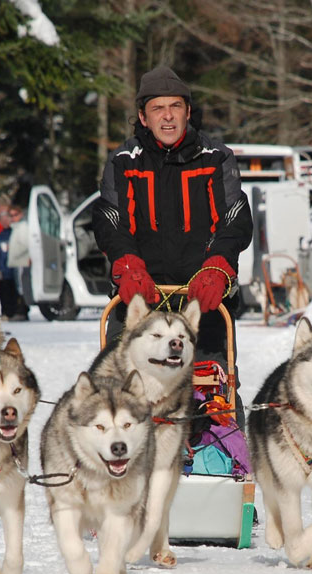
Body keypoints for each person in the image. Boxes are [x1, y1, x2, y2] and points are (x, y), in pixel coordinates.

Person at [90, 65, 253, 364]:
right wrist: (127, 265)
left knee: (214, 396)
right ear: (143, 116)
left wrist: (217, 266)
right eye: (158, 108)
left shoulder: (216, 157)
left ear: (187, 111)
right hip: (140, 299)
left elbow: (234, 217)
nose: (167, 116)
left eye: (175, 106)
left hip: (204, 301)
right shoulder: (124, 161)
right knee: (119, 390)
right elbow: (111, 219)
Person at [0, 205, 29, 321]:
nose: (13, 218)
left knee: (21, 287)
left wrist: (14, 251)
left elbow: (26, 245)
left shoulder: (23, 227)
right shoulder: (14, 228)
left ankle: (22, 311)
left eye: (15, 215)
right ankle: (18, 310)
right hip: (15, 262)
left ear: (21, 215)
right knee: (17, 287)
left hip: (21, 262)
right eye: (11, 215)